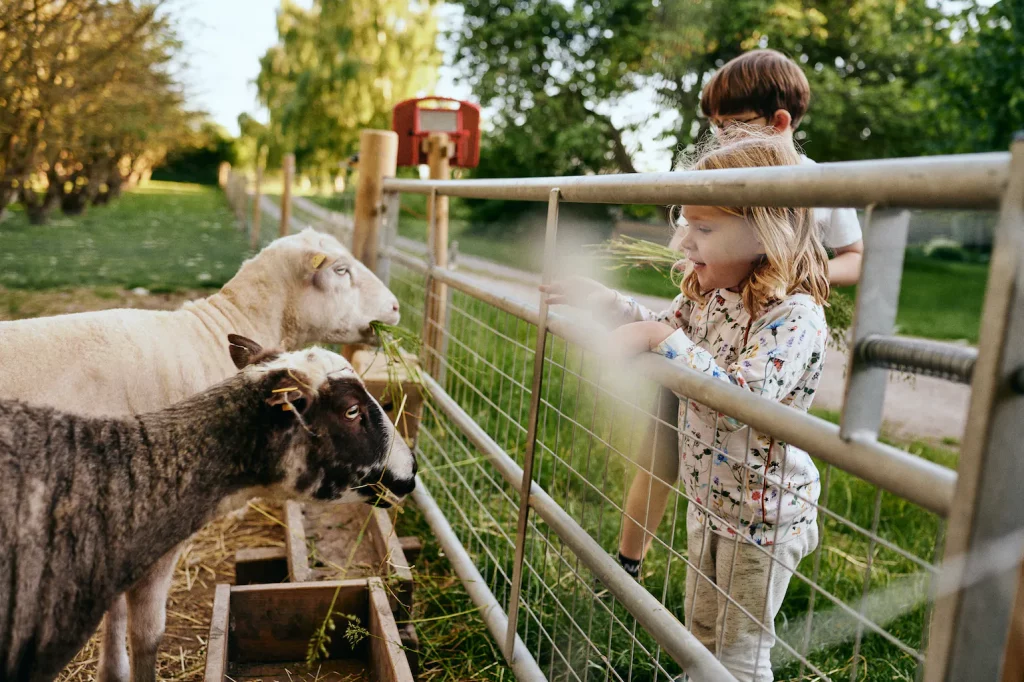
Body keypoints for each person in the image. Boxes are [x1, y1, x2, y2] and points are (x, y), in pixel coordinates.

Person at [542, 131, 829, 682]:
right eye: (685, 225)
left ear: (763, 230)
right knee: (700, 631)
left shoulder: (794, 318)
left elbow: (740, 399)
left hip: (766, 519)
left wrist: (656, 338)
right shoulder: (709, 295)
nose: (683, 245)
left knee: (742, 652)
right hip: (710, 503)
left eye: (703, 229)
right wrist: (612, 305)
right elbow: (668, 330)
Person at [669, 48, 863, 287]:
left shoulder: (824, 184)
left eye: (733, 124)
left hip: (786, 315)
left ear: (778, 121)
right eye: (717, 125)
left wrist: (799, 277)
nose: (722, 136)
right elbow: (682, 239)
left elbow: (855, 258)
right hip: (716, 311)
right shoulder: (715, 179)